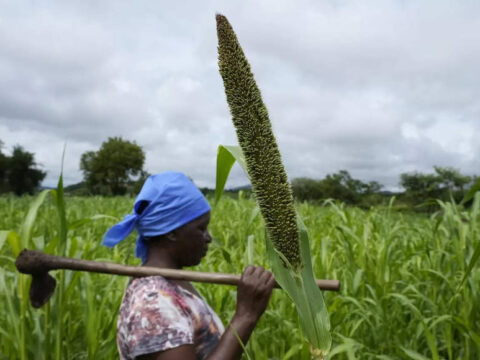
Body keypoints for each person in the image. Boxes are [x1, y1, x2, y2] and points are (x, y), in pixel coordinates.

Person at [103, 171, 275, 360]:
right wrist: (245, 316)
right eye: (201, 228)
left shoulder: (172, 282)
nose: (208, 238)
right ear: (172, 233)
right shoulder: (153, 302)